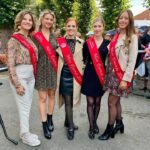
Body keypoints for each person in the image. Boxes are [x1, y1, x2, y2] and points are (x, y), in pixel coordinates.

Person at [98, 10, 138, 140]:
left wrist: (125, 79)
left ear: (130, 20)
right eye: (121, 18)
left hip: (120, 75)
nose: (123, 21)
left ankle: (109, 128)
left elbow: (132, 61)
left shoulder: (132, 37)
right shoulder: (116, 35)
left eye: (126, 18)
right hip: (111, 72)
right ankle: (119, 123)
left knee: (111, 102)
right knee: (116, 101)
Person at [6, 10, 41, 146]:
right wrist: (17, 84)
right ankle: (25, 135)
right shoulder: (14, 39)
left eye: (30, 20)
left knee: (27, 106)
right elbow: (10, 64)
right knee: (24, 107)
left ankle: (25, 132)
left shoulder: (29, 39)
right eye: (24, 19)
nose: (27, 21)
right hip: (20, 76)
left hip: (30, 76)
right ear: (19, 22)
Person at [55, 18, 84, 140]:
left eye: (73, 26)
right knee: (68, 100)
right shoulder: (59, 42)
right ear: (65, 27)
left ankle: (67, 121)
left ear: (76, 28)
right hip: (64, 75)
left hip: (76, 75)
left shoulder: (82, 42)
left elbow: (86, 59)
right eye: (69, 26)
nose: (71, 28)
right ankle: (71, 126)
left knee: (72, 100)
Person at [81, 17, 109, 139]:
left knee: (97, 101)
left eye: (99, 26)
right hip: (90, 73)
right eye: (95, 26)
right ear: (93, 28)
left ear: (103, 27)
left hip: (101, 74)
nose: (97, 29)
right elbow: (84, 58)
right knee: (90, 101)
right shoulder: (87, 43)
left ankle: (95, 122)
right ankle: (92, 127)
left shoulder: (108, 44)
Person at [32, 10, 58, 139]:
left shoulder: (54, 36)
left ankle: (50, 118)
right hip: (41, 70)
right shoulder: (35, 35)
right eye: (46, 18)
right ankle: (44, 124)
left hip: (53, 69)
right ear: (42, 19)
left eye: (51, 19)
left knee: (52, 95)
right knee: (42, 98)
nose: (48, 21)